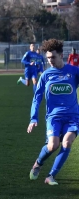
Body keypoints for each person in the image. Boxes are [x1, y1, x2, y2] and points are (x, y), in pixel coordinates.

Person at [27, 39, 79, 186]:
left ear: (61, 55)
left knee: (67, 142)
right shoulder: (46, 75)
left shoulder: (74, 72)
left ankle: (51, 176)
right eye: (48, 58)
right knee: (52, 146)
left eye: (53, 57)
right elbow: (37, 98)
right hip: (53, 117)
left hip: (72, 116)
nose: (50, 60)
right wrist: (33, 118)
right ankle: (38, 163)